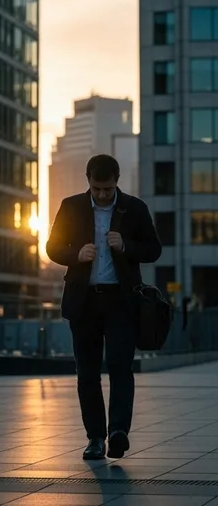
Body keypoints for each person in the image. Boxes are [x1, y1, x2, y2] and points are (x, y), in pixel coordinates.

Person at [46, 154, 162, 460]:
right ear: (88, 181)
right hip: (83, 302)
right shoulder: (71, 206)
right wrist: (76, 254)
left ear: (116, 182)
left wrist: (126, 246)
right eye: (97, 188)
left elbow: (154, 249)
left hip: (121, 302)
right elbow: (52, 247)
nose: (101, 194)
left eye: (107, 189)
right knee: (87, 373)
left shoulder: (134, 208)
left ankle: (118, 432)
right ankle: (95, 438)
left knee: (120, 367)